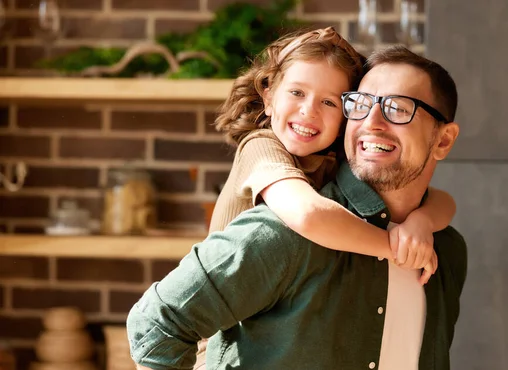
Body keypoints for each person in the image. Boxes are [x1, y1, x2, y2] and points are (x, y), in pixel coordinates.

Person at [127, 45, 466, 370]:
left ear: (444, 140)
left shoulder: (446, 250)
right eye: (360, 104)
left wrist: (420, 224)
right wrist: (393, 247)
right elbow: (158, 321)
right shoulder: (287, 230)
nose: (371, 122)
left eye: (398, 108)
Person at [210, 27, 456, 283]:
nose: (309, 111)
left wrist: (422, 223)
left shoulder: (329, 159)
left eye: (329, 102)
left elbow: (444, 200)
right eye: (297, 93)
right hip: (222, 311)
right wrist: (397, 250)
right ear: (269, 98)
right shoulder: (260, 148)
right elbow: (308, 214)